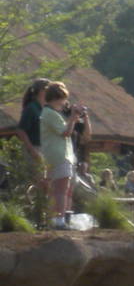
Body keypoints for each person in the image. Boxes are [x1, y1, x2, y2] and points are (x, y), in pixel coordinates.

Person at [39, 82, 86, 223]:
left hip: (53, 155)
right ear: (57, 98)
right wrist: (73, 117)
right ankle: (59, 219)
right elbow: (66, 132)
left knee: (55, 190)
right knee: (61, 190)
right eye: (63, 99)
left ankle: (53, 218)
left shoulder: (49, 113)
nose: (65, 102)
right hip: (59, 155)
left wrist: (74, 118)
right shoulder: (51, 114)